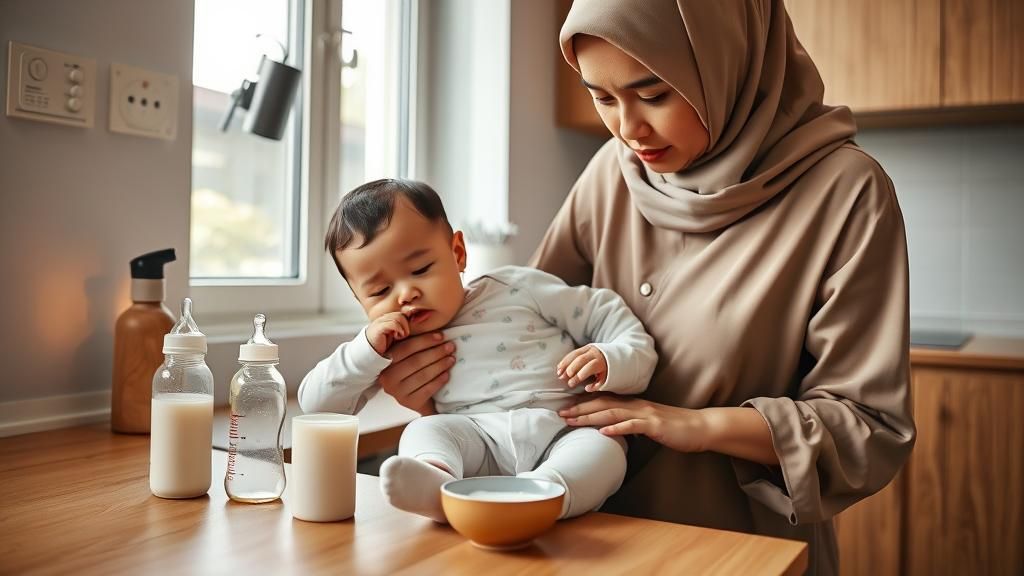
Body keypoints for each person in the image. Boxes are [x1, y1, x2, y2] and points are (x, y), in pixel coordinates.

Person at [372, 1, 916, 573]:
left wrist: (697, 424)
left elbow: (868, 426)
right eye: (602, 97)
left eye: (654, 93)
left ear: (727, 60)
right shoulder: (612, 171)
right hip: (578, 544)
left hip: (734, 550)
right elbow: (518, 336)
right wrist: (428, 390)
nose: (629, 130)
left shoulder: (847, 192)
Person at [298, 178, 657, 523]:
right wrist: (363, 350)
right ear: (359, 300)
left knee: (605, 451)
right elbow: (317, 407)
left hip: (564, 429)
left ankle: (542, 497)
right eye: (378, 292)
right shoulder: (387, 346)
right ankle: (441, 489)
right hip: (478, 443)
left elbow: (604, 312)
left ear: (457, 253)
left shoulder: (517, 287)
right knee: (424, 433)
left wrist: (611, 359)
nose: (405, 294)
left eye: (421, 269)